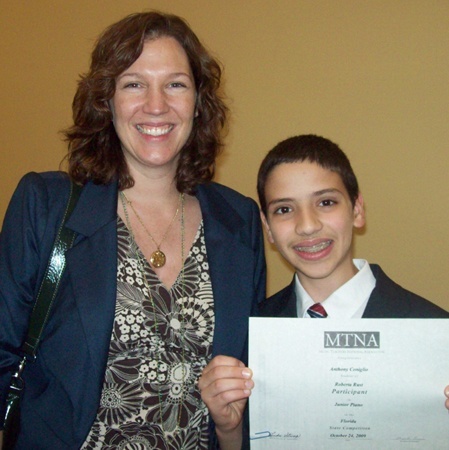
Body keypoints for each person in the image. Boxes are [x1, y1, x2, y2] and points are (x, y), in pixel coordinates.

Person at [0, 11, 265, 450]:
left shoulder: (238, 221)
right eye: (134, 83)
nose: (156, 105)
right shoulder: (46, 205)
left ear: (198, 102)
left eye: (176, 84)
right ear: (107, 101)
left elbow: (250, 379)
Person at [199, 134, 449, 449]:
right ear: (267, 228)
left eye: (326, 202)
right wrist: (230, 430)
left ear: (357, 209)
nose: (307, 225)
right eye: (284, 209)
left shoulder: (436, 337)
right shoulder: (250, 335)